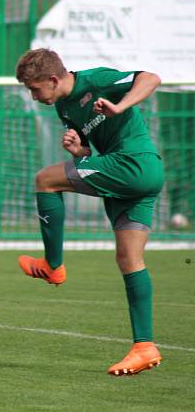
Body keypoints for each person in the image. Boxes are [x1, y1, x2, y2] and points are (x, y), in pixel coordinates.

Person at [15, 48, 164, 376]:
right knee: (129, 260)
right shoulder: (65, 108)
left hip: (133, 163)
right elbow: (86, 151)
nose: (33, 95)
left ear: (53, 79)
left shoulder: (96, 80)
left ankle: (53, 266)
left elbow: (151, 78)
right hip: (135, 177)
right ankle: (144, 346)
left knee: (45, 180)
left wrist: (120, 106)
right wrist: (78, 149)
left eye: (35, 88)